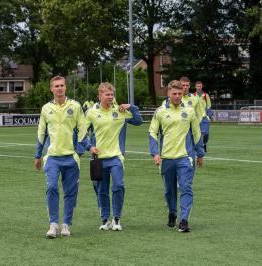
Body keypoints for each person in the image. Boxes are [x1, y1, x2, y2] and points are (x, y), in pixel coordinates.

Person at [34, 75, 87, 238]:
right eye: (56, 86)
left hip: (71, 158)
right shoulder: (45, 108)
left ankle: (66, 225)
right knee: (51, 188)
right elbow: (41, 132)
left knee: (70, 192)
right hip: (52, 157)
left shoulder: (75, 106)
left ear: (66, 88)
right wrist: (38, 154)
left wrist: (78, 151)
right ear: (51, 89)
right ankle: (53, 225)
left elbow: (83, 128)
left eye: (62, 85)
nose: (59, 88)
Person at [85, 82, 142, 231]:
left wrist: (131, 107)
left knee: (118, 186)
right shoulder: (91, 112)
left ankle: (116, 218)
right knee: (102, 190)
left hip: (116, 157)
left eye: (112, 94)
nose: (110, 97)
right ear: (100, 95)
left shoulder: (120, 111)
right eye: (107, 94)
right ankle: (105, 219)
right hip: (98, 159)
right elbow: (81, 133)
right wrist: (89, 146)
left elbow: (138, 121)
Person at [149, 80, 205, 233]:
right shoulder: (160, 111)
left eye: (180, 93)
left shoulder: (189, 111)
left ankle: (184, 220)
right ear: (168, 93)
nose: (177, 96)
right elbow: (152, 132)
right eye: (174, 93)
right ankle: (172, 213)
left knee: (186, 187)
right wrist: (155, 153)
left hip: (184, 157)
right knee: (169, 190)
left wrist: (200, 153)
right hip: (166, 158)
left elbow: (196, 133)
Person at [193, 81, 213, 152]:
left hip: (204, 117)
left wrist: (208, 115)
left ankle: (204, 144)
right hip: (195, 118)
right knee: (196, 133)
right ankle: (196, 146)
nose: (199, 88)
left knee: (206, 133)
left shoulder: (205, 95)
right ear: (195, 87)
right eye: (197, 86)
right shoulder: (193, 95)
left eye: (200, 86)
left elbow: (209, 106)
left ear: (202, 87)